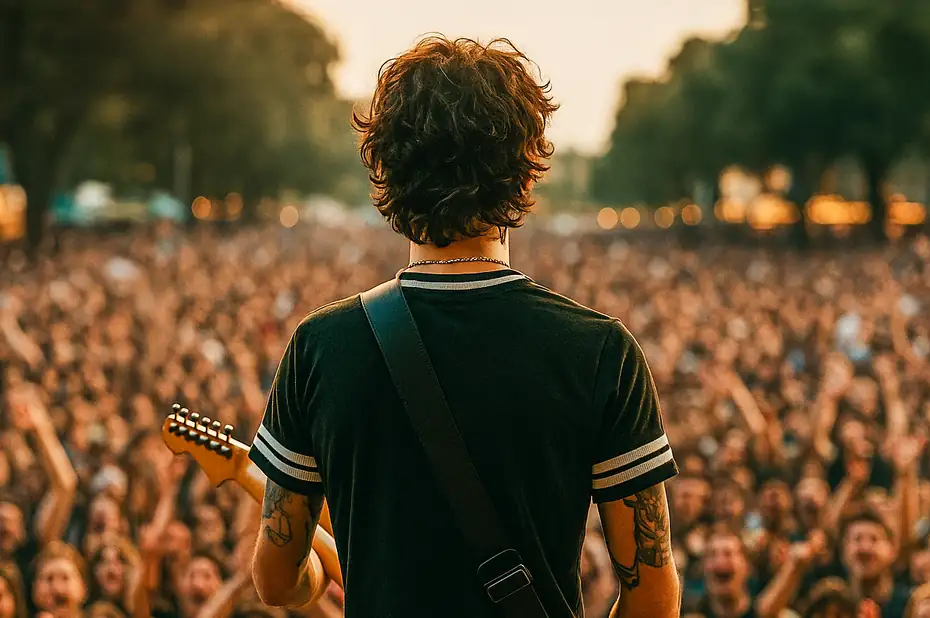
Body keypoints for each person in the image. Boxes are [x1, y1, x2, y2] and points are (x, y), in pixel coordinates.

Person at [248, 35, 682, 617]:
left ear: (385, 166)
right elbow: (652, 598)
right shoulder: (601, 351)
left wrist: (324, 573)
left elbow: (276, 582)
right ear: (525, 172)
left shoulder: (320, 347)